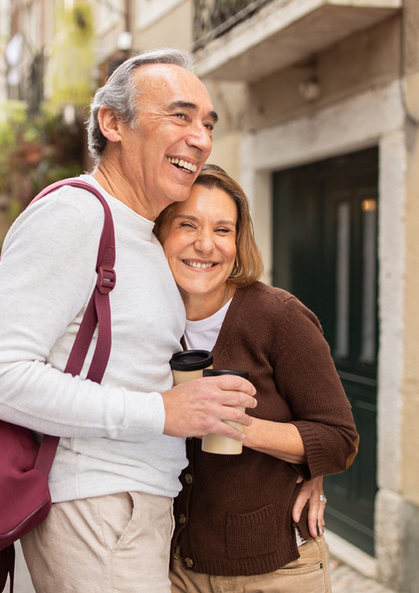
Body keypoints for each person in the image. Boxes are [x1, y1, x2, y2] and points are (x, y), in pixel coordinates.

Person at [0, 49, 258, 593]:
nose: (200, 137)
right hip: (97, 508)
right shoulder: (75, 215)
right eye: (180, 115)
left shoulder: (141, 233)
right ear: (112, 122)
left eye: (207, 123)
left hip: (133, 508)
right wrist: (159, 411)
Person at [153, 164, 359, 592]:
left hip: (274, 570)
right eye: (186, 224)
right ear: (160, 232)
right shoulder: (146, 316)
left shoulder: (278, 317)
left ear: (238, 241)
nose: (205, 244)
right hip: (172, 566)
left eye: (223, 230)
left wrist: (235, 426)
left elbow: (339, 439)